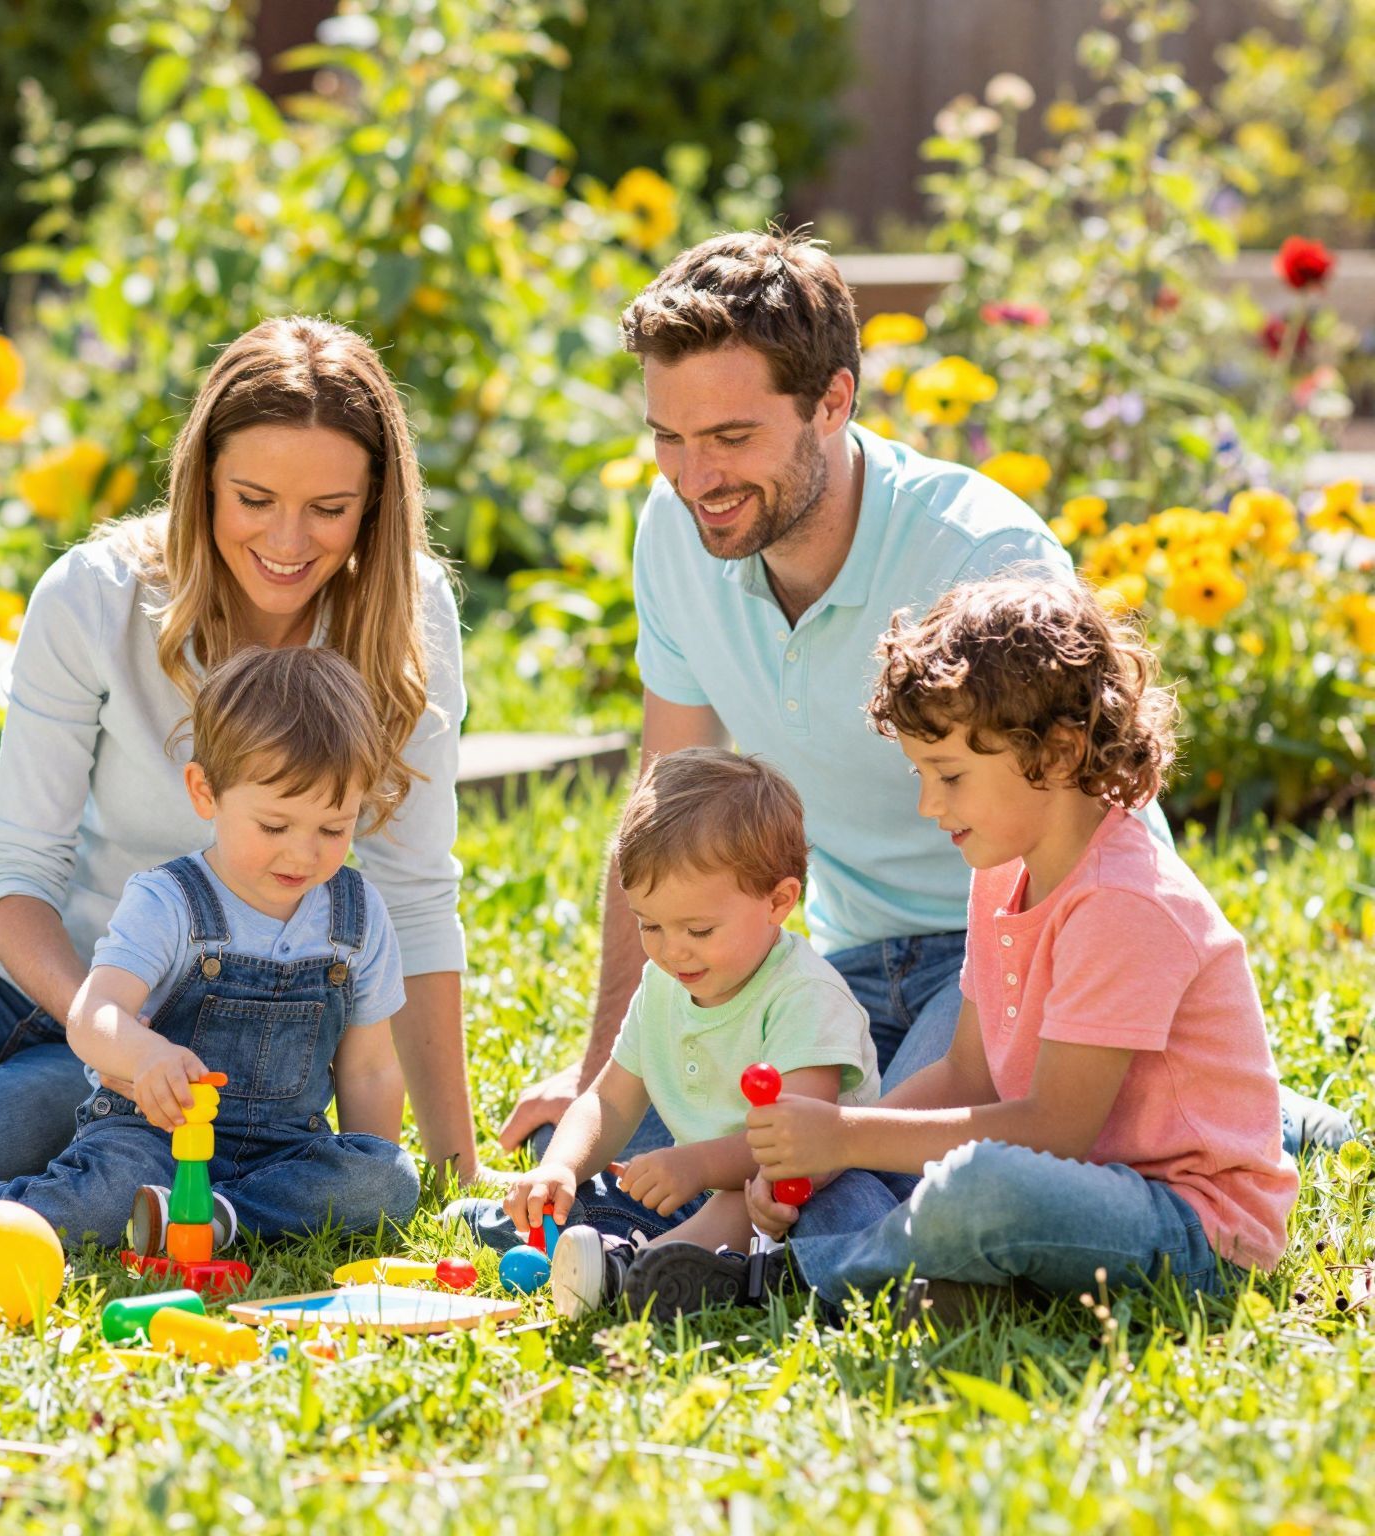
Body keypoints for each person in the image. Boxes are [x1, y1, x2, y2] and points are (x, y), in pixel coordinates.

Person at [496, 228, 1349, 1165]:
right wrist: (608, 1067)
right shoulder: (674, 534)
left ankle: (1229, 1101)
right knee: (664, 1142)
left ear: (833, 402)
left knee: (872, 1166)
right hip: (844, 957)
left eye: (733, 438)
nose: (698, 478)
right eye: (670, 438)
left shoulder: (980, 555)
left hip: (1016, 958)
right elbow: (659, 820)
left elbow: (1093, 808)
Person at [0, 316, 473, 1187]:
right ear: (202, 482)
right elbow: (16, 868)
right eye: (254, 500)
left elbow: (416, 900)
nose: (288, 543)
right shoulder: (98, 595)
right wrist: (98, 1023)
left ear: (375, 502)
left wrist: (451, 1170)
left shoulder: (410, 618)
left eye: (329, 510)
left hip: (165, 1029)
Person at [742, 576, 1298, 1315]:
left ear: (1060, 754)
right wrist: (826, 1160)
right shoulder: (1004, 872)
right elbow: (967, 1074)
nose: (928, 805)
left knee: (979, 1187)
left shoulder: (1125, 902)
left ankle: (799, 1278)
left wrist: (844, 1134)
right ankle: (954, 1281)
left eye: (950, 776)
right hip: (1066, 1194)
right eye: (922, 774)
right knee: (864, 1181)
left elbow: (1052, 1133)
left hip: (1194, 1230)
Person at [0, 646, 419, 1248]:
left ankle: (208, 1218)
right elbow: (95, 1016)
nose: (303, 853)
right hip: (154, 1140)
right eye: (275, 826)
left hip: (285, 1151)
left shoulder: (356, 915)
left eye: (334, 828)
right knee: (115, 1187)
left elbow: (372, 1067)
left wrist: (367, 1168)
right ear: (205, 791)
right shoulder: (170, 901)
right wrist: (144, 1057)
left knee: (390, 1179)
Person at [451, 749, 878, 1321]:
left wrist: (697, 1165)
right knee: (589, 1195)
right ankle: (561, 1230)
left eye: (698, 929)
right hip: (694, 1189)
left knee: (737, 1197)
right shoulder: (664, 982)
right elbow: (609, 1099)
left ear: (778, 901)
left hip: (792, 1201)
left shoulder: (804, 997)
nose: (672, 949)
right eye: (649, 924)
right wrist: (560, 1167)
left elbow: (800, 1146)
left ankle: (641, 1268)